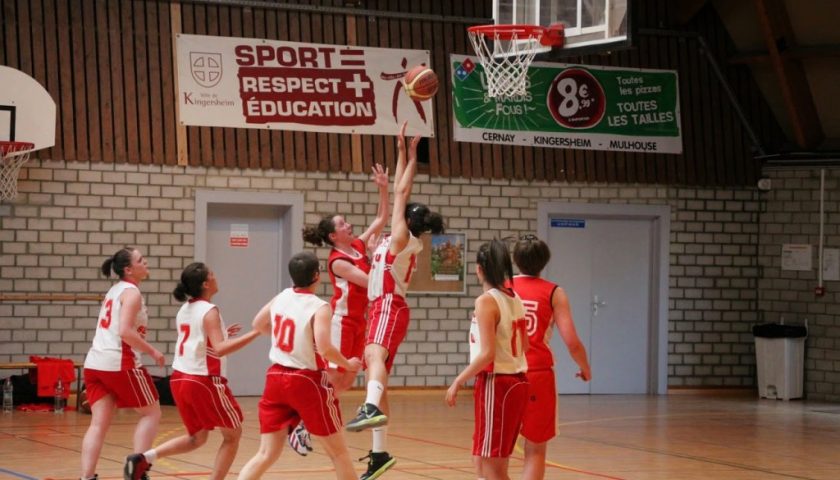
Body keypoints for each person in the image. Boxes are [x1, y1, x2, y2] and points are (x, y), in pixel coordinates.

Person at [344, 122, 444, 480]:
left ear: (408, 220)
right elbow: (398, 195)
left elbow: (402, 192)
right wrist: (401, 153)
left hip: (389, 304)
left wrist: (409, 155)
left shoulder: (403, 236)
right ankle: (379, 453)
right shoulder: (395, 237)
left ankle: (369, 407)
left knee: (373, 356)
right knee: (378, 374)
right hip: (381, 307)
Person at [124, 262, 261, 480]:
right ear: (206, 283)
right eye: (213, 274)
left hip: (180, 379)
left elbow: (199, 340)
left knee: (197, 438)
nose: (216, 277)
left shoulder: (185, 309)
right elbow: (220, 349)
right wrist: (255, 333)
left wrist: (222, 333)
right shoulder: (210, 311)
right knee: (233, 435)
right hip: (203, 380)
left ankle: (144, 458)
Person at [237, 251, 363, 480]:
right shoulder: (320, 306)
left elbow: (257, 324)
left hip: (275, 377)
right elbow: (325, 349)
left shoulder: (282, 296)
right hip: (305, 380)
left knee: (265, 453)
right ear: (317, 276)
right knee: (339, 453)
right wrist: (348, 364)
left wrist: (281, 339)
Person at [294, 163, 389, 456]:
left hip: (360, 321)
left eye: (347, 222)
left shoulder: (358, 246)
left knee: (347, 380)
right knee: (337, 380)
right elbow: (371, 282)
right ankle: (300, 425)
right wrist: (378, 257)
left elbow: (381, 217)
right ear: (334, 236)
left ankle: (305, 423)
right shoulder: (337, 260)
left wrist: (383, 187)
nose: (349, 225)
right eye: (343, 224)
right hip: (342, 323)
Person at [446, 239, 529, 480]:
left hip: (498, 384)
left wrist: (457, 381)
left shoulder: (486, 301)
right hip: (517, 382)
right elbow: (526, 345)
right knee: (481, 458)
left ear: (478, 269)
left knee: (493, 467)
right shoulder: (515, 298)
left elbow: (487, 355)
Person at [79, 247, 165, 480]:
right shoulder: (132, 293)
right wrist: (153, 351)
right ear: (129, 269)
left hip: (95, 362)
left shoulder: (114, 291)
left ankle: (86, 477)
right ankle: (137, 472)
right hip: (119, 362)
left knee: (98, 424)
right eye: (140, 260)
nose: (145, 262)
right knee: (151, 413)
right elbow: (125, 331)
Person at [511, 235, 591, 480]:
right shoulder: (554, 292)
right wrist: (585, 367)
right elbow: (572, 341)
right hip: (537, 373)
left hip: (503, 373)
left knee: (497, 448)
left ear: (515, 260)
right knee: (535, 449)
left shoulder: (502, 286)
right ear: (544, 262)